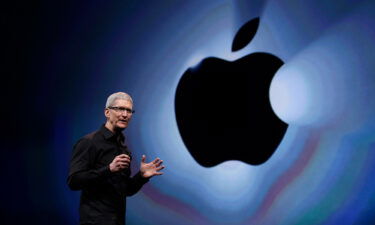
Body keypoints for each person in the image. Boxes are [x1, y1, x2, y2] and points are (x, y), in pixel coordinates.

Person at [67, 92, 165, 225]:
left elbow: (126, 190)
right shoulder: (89, 142)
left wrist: (141, 177)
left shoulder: (123, 149)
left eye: (129, 111)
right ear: (107, 112)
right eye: (120, 109)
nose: (125, 114)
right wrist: (108, 169)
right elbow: (74, 181)